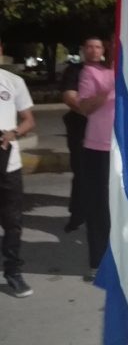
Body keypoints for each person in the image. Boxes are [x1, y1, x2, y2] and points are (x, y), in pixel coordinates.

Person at [78, 36, 115, 280]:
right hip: (100, 148)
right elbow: (85, 107)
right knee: (100, 208)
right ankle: (98, 262)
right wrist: (107, 91)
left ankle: (124, 259)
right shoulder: (91, 73)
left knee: (126, 208)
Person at [59, 36, 105, 233]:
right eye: (90, 47)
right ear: (83, 49)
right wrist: (93, 108)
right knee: (81, 173)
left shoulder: (110, 71)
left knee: (104, 175)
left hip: (104, 131)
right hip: (80, 129)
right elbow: (70, 97)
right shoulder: (75, 70)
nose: (94, 50)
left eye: (97, 47)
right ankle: (77, 214)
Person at [0, 68, 35, 297]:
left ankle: (13, 272)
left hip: (8, 164)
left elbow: (28, 120)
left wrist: (12, 133)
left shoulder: (13, 81)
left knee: (13, 222)